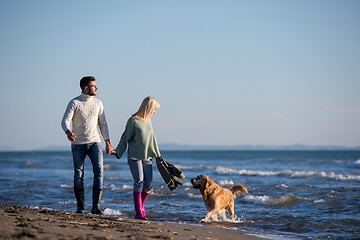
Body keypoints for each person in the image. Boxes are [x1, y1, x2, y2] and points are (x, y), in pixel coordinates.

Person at [61, 76, 113, 214]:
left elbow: (103, 124)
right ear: (85, 88)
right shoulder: (74, 103)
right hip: (78, 144)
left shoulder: (98, 103)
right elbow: (65, 120)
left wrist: (108, 143)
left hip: (95, 143)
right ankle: (80, 207)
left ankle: (96, 207)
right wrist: (68, 132)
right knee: (78, 174)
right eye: (93, 86)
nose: (96, 88)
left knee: (99, 172)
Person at [110, 96, 161, 220]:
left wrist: (157, 154)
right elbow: (125, 137)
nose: (154, 112)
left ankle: (141, 206)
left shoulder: (148, 120)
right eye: (154, 109)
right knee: (139, 182)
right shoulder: (133, 121)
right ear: (148, 107)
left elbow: (152, 138)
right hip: (135, 156)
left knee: (148, 185)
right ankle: (139, 212)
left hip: (147, 157)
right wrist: (117, 151)